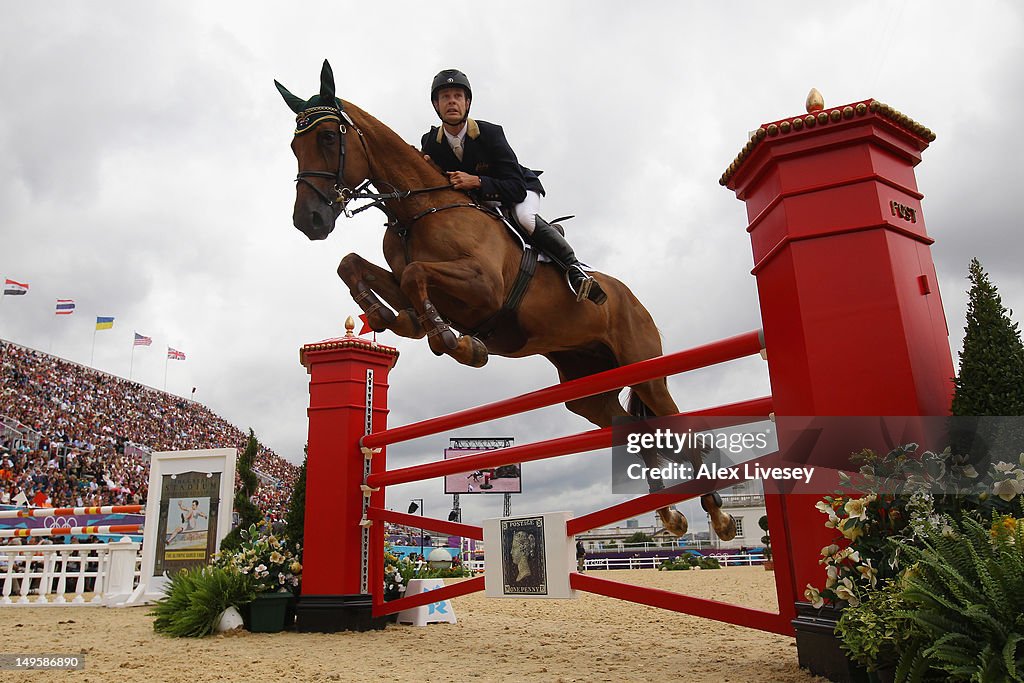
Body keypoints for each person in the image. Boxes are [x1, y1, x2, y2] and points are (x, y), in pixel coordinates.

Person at [422, 69, 605, 305]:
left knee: (526, 219)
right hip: (479, 200)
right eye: (445, 97)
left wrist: (477, 181)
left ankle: (575, 269)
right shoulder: (430, 141)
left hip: (518, 188)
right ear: (436, 105)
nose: (452, 101)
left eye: (457, 96)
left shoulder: (490, 133)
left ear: (467, 102)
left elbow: (516, 188)